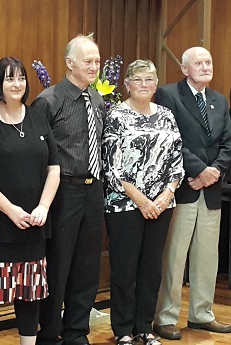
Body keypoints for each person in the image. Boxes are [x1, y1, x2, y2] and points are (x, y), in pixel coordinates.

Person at [0, 57, 60, 345]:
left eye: (20, 78)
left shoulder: (38, 118)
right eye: (9, 78)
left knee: (29, 293)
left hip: (33, 223)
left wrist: (43, 206)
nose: (16, 84)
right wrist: (11, 211)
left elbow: (54, 168)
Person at [102, 60, 184, 345]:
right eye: (138, 79)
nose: (144, 84)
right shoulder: (116, 115)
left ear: (156, 83)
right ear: (127, 84)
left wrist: (166, 195)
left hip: (162, 206)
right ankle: (123, 329)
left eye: (150, 79)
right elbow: (112, 168)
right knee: (124, 269)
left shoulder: (166, 115)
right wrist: (141, 201)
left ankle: (144, 328)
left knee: (151, 269)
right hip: (125, 205)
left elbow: (177, 161)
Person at [31, 34, 106, 345]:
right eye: (87, 61)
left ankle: (77, 331)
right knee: (58, 265)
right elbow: (35, 154)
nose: (94, 66)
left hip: (93, 191)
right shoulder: (49, 101)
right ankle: (49, 333)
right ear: (69, 63)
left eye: (97, 61)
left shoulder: (98, 99)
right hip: (63, 192)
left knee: (88, 266)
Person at [153, 47, 231, 340]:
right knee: (174, 255)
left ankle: (202, 314)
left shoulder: (220, 100)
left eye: (208, 62)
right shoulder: (168, 95)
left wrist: (213, 173)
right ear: (184, 69)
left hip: (210, 190)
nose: (205, 67)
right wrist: (198, 170)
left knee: (207, 255)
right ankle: (166, 317)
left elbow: (228, 143)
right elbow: (171, 139)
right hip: (182, 187)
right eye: (198, 63)